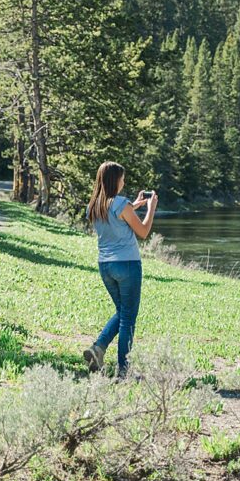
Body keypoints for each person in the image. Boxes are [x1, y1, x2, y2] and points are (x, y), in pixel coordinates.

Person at [82, 161, 158, 376]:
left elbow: (115, 215)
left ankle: (98, 348)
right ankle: (124, 370)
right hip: (127, 264)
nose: (123, 182)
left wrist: (134, 205)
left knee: (123, 312)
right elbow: (143, 232)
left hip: (105, 266)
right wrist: (151, 209)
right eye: (122, 178)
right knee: (128, 318)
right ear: (115, 180)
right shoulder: (121, 204)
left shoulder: (94, 206)